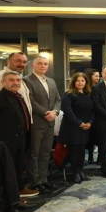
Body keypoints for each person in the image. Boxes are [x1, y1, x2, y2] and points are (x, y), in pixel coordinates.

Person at [0, 70, 38, 198]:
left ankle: (18, 191)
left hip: (20, 138)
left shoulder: (19, 97)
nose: (15, 83)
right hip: (3, 141)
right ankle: (6, 198)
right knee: (5, 170)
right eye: (11, 80)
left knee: (18, 167)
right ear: (3, 82)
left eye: (18, 80)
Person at [24, 55, 61, 194]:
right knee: (34, 153)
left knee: (45, 153)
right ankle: (35, 182)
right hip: (37, 122)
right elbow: (30, 101)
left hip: (50, 123)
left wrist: (55, 112)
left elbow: (58, 99)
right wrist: (45, 112)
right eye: (40, 63)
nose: (43, 66)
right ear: (32, 65)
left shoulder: (51, 81)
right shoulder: (26, 80)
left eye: (45, 64)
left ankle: (43, 180)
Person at [58, 72, 94, 183]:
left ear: (86, 82)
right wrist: (80, 123)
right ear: (73, 82)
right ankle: (75, 173)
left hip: (85, 127)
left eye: (82, 80)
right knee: (74, 150)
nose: (80, 83)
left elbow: (93, 111)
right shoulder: (68, 95)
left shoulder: (88, 94)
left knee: (82, 150)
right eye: (78, 81)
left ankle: (81, 171)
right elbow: (68, 112)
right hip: (72, 127)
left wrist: (90, 123)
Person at [0, 52, 32, 118]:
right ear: (8, 61)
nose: (22, 64)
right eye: (18, 61)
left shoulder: (19, 77)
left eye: (24, 62)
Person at [84, 68, 101, 164]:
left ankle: (99, 157)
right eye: (96, 76)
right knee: (90, 138)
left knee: (99, 138)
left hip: (99, 116)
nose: (98, 78)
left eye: (99, 76)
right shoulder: (86, 88)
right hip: (89, 116)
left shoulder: (100, 86)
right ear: (90, 77)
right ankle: (90, 156)